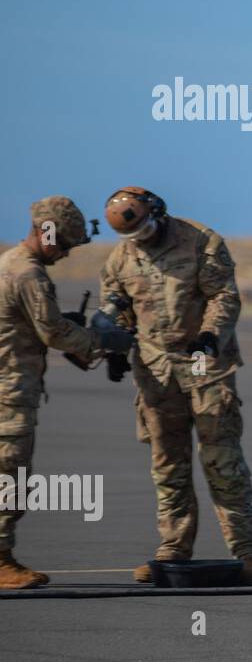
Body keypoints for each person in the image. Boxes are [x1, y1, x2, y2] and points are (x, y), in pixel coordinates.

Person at [99, 187, 252, 585]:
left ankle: (246, 553)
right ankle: (172, 547)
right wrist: (116, 348)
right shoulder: (121, 257)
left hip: (207, 365)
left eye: (146, 230)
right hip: (156, 370)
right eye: (132, 237)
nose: (141, 241)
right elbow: (115, 304)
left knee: (222, 462)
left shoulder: (200, 241)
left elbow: (224, 296)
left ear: (159, 214)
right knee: (167, 463)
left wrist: (210, 336)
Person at [0, 196, 134, 589]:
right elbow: (53, 332)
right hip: (9, 393)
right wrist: (103, 341)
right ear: (45, 233)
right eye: (63, 245)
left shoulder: (9, 262)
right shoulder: (28, 274)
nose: (64, 254)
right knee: (11, 478)